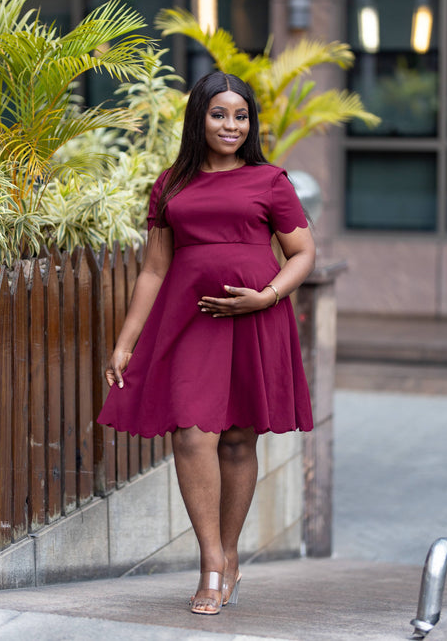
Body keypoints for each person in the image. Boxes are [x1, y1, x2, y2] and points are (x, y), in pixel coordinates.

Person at [97, 72, 315, 615]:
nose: (231, 125)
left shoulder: (270, 181)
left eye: (241, 116)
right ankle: (211, 563)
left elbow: (303, 254)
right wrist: (126, 341)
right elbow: (153, 268)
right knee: (193, 436)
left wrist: (265, 297)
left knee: (239, 439)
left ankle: (231, 558)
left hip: (254, 320)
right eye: (220, 114)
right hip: (190, 320)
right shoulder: (171, 183)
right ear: (199, 118)